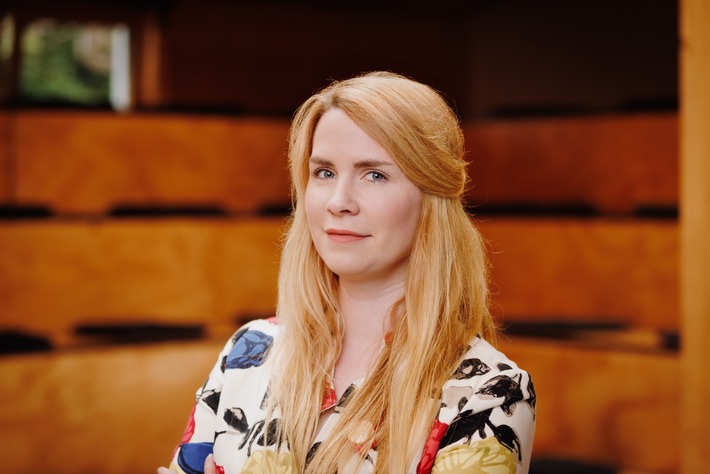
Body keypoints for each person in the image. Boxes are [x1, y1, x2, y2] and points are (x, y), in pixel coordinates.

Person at [158, 71, 536, 474]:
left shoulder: (490, 393)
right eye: (324, 172)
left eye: (374, 174)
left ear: (431, 198)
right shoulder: (247, 351)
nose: (339, 201)